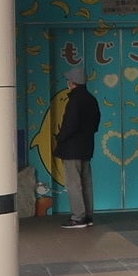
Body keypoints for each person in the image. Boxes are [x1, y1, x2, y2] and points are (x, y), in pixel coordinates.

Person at [54, 67, 101, 229]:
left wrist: (60, 138)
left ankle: (78, 217)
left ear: (73, 82)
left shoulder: (74, 100)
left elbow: (70, 125)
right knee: (86, 182)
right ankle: (88, 216)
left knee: (74, 183)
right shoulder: (91, 99)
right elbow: (96, 123)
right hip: (86, 147)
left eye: (69, 80)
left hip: (72, 149)